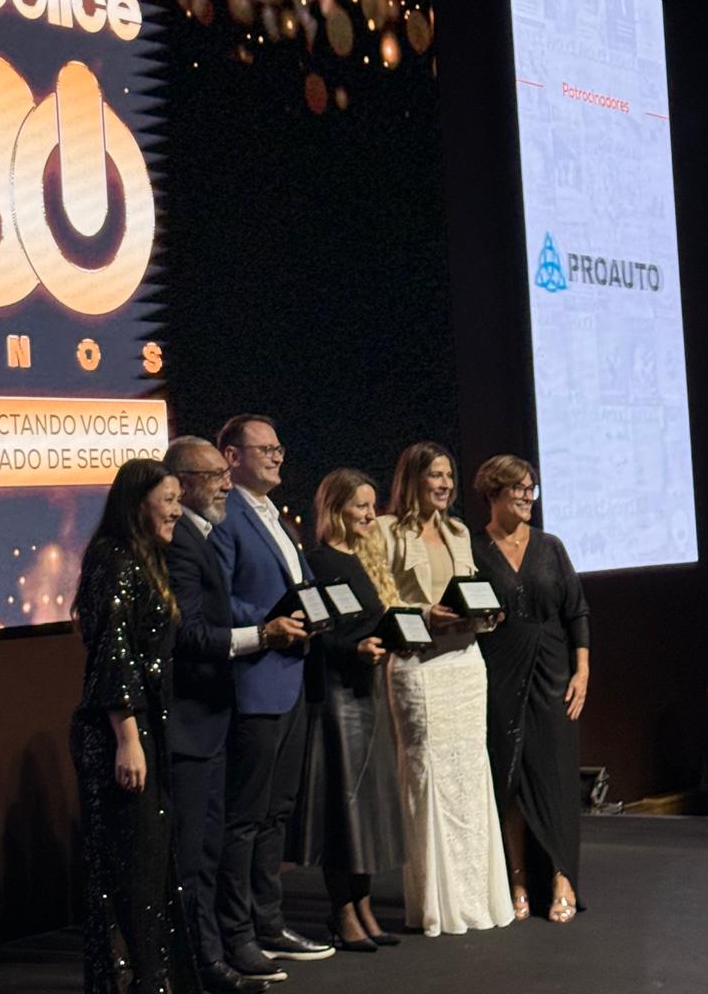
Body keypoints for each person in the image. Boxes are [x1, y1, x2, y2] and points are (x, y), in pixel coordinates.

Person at [164, 436, 305, 994]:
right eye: (216, 475)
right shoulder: (190, 538)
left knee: (253, 822)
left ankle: (241, 939)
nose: (225, 482)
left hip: (248, 691)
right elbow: (197, 625)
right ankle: (221, 947)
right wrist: (265, 631)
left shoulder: (217, 527)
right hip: (212, 703)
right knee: (215, 838)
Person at [211, 414, 335, 981]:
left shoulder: (276, 515)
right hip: (255, 679)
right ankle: (236, 934)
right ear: (231, 457)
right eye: (265, 449)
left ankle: (270, 922)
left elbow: (300, 587)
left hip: (291, 678)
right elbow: (218, 600)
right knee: (245, 816)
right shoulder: (226, 516)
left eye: (280, 448)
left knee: (277, 812)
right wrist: (270, 621)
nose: (277, 457)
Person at [70, 458, 200, 994]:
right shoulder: (113, 558)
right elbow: (114, 653)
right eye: (168, 500)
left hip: (148, 729)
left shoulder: (147, 559)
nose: (177, 511)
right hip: (122, 735)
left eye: (178, 500)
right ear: (136, 502)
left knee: (149, 868)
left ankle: (154, 980)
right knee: (129, 872)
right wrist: (128, 739)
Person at [378, 442, 512, 937]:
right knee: (427, 775)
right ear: (413, 478)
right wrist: (424, 613)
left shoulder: (457, 532)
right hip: (419, 667)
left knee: (470, 775)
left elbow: (469, 591)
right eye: (435, 475)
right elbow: (380, 600)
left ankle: (476, 897)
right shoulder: (388, 531)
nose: (445, 484)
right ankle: (436, 903)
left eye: (449, 475)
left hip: (465, 663)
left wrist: (487, 614)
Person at [472, 454, 590, 924]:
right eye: (518, 489)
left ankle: (563, 877)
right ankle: (517, 879)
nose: (527, 497)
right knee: (511, 778)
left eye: (530, 489)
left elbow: (577, 610)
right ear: (494, 492)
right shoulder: (474, 549)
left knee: (555, 775)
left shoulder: (550, 546)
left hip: (553, 670)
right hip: (499, 669)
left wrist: (582, 671)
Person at [296, 468, 404, 952]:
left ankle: (363, 904)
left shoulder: (364, 558)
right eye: (360, 505)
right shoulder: (318, 561)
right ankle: (341, 911)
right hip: (338, 697)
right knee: (344, 806)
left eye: (372, 506)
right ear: (336, 507)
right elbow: (318, 633)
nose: (369, 514)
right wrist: (353, 650)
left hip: (369, 693)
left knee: (369, 806)